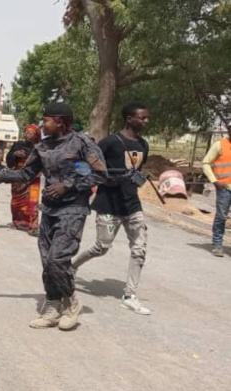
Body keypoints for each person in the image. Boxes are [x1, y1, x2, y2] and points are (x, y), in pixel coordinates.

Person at [0, 103, 106, 331]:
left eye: (46, 119)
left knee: (57, 260)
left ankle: (71, 303)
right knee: (46, 261)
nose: (42, 124)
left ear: (60, 121)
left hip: (73, 209)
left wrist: (67, 186)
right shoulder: (42, 147)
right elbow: (26, 173)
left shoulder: (81, 144)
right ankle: (52, 306)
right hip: (49, 210)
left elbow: (98, 174)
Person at [72, 102, 152, 315]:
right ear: (129, 118)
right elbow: (88, 168)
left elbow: (135, 173)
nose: (146, 121)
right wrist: (109, 180)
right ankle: (71, 268)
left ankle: (130, 296)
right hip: (108, 205)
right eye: (142, 118)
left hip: (132, 205)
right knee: (101, 247)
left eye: (146, 118)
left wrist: (137, 180)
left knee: (139, 249)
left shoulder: (144, 145)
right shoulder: (109, 143)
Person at [6, 124, 42, 236]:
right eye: (26, 132)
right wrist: (15, 155)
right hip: (18, 178)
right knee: (17, 202)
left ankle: (33, 226)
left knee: (33, 201)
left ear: (36, 135)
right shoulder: (18, 145)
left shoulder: (40, 147)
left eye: (30, 133)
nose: (27, 134)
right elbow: (9, 161)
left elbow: (44, 163)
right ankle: (19, 222)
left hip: (33, 177)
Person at [202, 127, 231, 258]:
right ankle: (217, 244)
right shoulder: (219, 145)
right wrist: (214, 181)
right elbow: (206, 163)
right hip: (224, 188)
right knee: (221, 217)